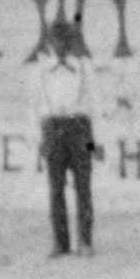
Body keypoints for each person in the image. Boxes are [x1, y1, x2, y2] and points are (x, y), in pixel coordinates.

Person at [31, 16, 102, 256]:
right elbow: (34, 108)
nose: (60, 45)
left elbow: (94, 107)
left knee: (84, 189)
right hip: (52, 131)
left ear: (72, 43)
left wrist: (94, 146)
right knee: (56, 190)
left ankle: (85, 242)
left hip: (80, 131)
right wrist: (39, 141)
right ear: (49, 42)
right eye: (56, 40)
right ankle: (60, 244)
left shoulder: (84, 68)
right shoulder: (41, 71)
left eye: (65, 40)